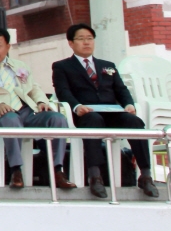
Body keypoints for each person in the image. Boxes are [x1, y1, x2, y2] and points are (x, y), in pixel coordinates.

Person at [52, 23, 159, 199]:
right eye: (80, 39)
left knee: (135, 122)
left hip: (112, 112)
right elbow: (62, 91)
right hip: (86, 114)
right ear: (70, 43)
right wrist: (77, 106)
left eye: (89, 39)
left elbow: (121, 89)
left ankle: (146, 175)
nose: (86, 42)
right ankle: (95, 176)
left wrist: (129, 104)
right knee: (93, 120)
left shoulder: (107, 65)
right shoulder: (62, 66)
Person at [0, 27, 74, 191]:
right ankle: (16, 170)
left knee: (57, 118)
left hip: (27, 110)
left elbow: (33, 87)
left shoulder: (19, 65)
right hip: (3, 112)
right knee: (11, 121)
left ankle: (58, 170)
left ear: (8, 47)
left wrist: (41, 101)